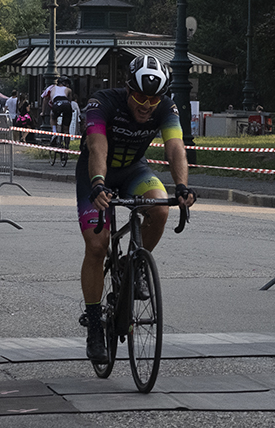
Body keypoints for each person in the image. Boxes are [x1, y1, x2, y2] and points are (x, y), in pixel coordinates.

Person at [76, 54, 196, 361]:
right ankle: (93, 325)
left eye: (153, 99)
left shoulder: (166, 107)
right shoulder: (102, 102)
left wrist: (181, 186)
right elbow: (97, 144)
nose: (146, 105)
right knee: (97, 245)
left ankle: (133, 265)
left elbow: (174, 146)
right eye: (140, 96)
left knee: (160, 208)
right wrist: (99, 183)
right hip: (96, 172)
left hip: (133, 170)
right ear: (128, 89)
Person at [42, 76, 75, 142]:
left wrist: (43, 112)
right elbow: (70, 100)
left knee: (53, 116)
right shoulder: (68, 89)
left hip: (57, 103)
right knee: (66, 128)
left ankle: (54, 132)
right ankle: (66, 144)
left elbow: (45, 99)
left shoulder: (52, 87)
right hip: (66, 104)